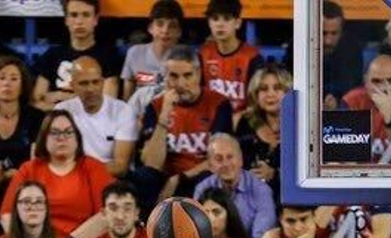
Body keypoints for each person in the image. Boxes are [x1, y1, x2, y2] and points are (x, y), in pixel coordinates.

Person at [134, 46, 233, 205]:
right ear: (165, 77)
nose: (181, 83)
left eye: (187, 75)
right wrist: (164, 116)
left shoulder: (219, 104)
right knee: (145, 176)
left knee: (208, 178)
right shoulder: (155, 107)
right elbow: (152, 163)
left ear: (199, 74)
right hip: (165, 178)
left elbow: (218, 158)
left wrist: (180, 178)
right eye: (174, 76)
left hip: (198, 175)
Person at [0, 113, 110, 238]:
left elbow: (105, 214)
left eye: (68, 132)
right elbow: (7, 214)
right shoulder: (29, 169)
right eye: (55, 133)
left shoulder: (93, 168)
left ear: (77, 138)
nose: (62, 138)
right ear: (44, 138)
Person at [0, 55, 43, 219]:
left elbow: (36, 163)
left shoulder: (36, 117)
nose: (7, 83)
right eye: (2, 78)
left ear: (22, 85)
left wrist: (11, 175)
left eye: (14, 79)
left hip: (25, 185)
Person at [340, 50, 391, 164]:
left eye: (390, 81)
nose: (383, 88)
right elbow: (343, 163)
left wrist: (390, 121)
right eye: (376, 81)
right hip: (364, 178)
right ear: (366, 81)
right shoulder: (352, 101)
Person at [56, 57, 135, 178]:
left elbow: (120, 167)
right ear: (72, 85)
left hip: (108, 181)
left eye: (95, 82)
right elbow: (55, 158)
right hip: (71, 179)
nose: (91, 89)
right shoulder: (61, 111)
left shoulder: (123, 111)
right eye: (83, 83)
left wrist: (80, 171)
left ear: (103, 82)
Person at [33, 0, 122, 106]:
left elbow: (107, 104)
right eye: (74, 15)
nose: (79, 21)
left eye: (86, 15)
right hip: (56, 120)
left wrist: (61, 96)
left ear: (96, 19)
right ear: (66, 20)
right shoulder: (52, 55)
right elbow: (37, 101)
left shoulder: (109, 56)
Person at [195, 134, 274, 238]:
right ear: (210, 165)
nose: (226, 164)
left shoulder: (261, 191)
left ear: (241, 159)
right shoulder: (202, 189)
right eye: (219, 159)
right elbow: (198, 232)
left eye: (230, 157)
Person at [121, 0, 184, 111]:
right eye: (160, 24)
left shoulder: (185, 57)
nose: (165, 31)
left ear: (179, 32)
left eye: (172, 26)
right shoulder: (134, 53)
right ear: (150, 28)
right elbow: (127, 100)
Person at [236, 62, 286, 197]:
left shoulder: (300, 125)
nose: (271, 94)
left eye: (277, 88)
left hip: (286, 196)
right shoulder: (246, 123)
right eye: (264, 89)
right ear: (255, 94)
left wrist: (275, 174)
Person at [200, 0, 260, 107]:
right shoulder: (202, 55)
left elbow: (257, 103)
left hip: (243, 120)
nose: (220, 24)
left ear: (238, 23)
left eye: (227, 19)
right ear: (209, 23)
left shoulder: (252, 57)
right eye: (215, 19)